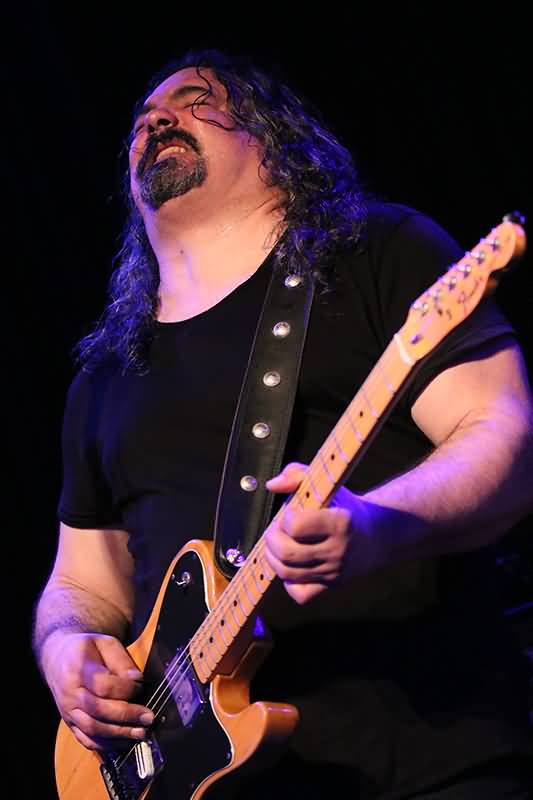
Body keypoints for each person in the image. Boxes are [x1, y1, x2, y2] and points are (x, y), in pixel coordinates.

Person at [33, 49, 533, 799]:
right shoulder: (105, 374)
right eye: (141, 121)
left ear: (273, 136)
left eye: (196, 100)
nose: (156, 120)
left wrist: (378, 526)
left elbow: (500, 433)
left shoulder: (373, 252)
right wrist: (65, 648)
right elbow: (81, 579)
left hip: (423, 758)